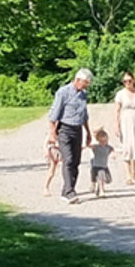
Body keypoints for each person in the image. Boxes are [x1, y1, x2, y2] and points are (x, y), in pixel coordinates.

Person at [48, 68, 92, 203]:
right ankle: (69, 192)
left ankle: (67, 189)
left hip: (77, 129)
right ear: (78, 80)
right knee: (68, 160)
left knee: (76, 162)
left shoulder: (83, 94)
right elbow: (53, 115)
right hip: (64, 129)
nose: (86, 86)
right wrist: (52, 134)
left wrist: (88, 132)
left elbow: (84, 115)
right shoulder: (63, 92)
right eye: (85, 83)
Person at [113, 70, 135, 185]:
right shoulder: (120, 94)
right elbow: (117, 111)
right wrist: (116, 125)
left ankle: (134, 169)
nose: (127, 83)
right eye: (125, 81)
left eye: (129, 80)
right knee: (127, 149)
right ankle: (128, 176)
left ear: (133, 80)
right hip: (125, 121)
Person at [89, 128, 113, 198]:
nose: (103, 142)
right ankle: (100, 190)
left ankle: (100, 190)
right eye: (101, 141)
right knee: (98, 178)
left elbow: (114, 150)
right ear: (98, 140)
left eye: (105, 141)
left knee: (106, 179)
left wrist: (115, 153)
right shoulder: (96, 147)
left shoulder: (108, 147)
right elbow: (89, 146)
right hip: (96, 166)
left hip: (104, 166)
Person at [43, 125, 62, 196]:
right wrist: (46, 152)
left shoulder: (63, 133)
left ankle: (66, 187)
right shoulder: (51, 134)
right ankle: (46, 187)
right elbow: (45, 144)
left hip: (60, 152)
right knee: (51, 172)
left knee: (66, 169)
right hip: (53, 153)